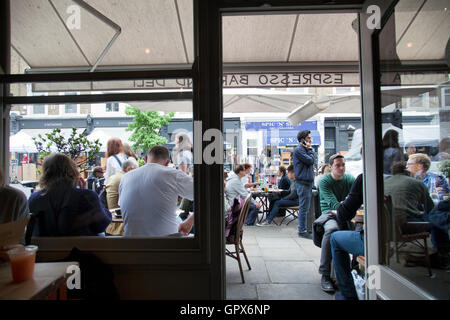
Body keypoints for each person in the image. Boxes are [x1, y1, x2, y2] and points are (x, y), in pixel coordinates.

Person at [28, 154, 112, 237]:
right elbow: (101, 225)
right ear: (72, 171)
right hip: (81, 248)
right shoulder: (85, 196)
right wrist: (85, 192)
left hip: (44, 249)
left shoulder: (34, 199)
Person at [119, 146, 193, 237]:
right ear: (167, 163)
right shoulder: (172, 174)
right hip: (166, 244)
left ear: (146, 158)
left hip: (132, 245)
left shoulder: (125, 177)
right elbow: (208, 196)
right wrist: (190, 221)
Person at [388, 162, 449, 266]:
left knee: (438, 214)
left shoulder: (384, 182)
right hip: (405, 224)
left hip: (385, 226)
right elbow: (429, 207)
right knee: (437, 220)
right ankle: (443, 255)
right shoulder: (415, 182)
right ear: (407, 172)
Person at [317, 154, 355, 293]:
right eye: (338, 165)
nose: (341, 168)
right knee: (332, 230)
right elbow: (333, 203)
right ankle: (325, 274)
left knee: (363, 229)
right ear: (330, 167)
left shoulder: (350, 179)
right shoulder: (324, 181)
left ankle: (356, 267)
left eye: (343, 165)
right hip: (329, 214)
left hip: (348, 214)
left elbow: (357, 197)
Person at [329, 174, 364, 300]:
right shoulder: (414, 180)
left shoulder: (366, 177)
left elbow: (343, 213)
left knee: (335, 238)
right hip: (406, 239)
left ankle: (347, 294)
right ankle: (357, 270)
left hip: (375, 242)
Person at [293, 130, 315, 238]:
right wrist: (310, 150)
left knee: (306, 208)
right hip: (303, 182)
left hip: (307, 182)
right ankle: (302, 230)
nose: (310, 140)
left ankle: (305, 229)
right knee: (303, 208)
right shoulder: (299, 150)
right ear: (302, 139)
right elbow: (310, 161)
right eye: (308, 138)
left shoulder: (304, 150)